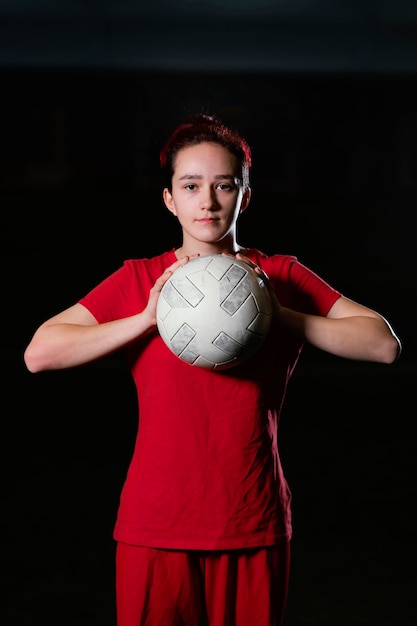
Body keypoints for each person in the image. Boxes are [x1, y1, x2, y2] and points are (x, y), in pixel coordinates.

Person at [23, 113, 402, 626]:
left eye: (224, 185)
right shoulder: (140, 280)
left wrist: (276, 312)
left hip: (253, 521)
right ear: (169, 199)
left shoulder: (281, 276)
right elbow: (40, 353)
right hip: (155, 524)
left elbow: (383, 345)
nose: (207, 201)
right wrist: (145, 320)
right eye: (191, 185)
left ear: (244, 196)